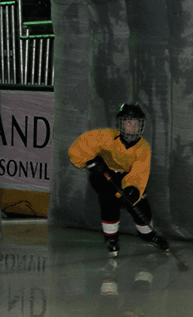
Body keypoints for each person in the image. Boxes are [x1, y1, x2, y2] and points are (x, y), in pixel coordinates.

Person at [68, 103, 169, 257]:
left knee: (140, 206)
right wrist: (90, 162)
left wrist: (133, 189)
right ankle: (111, 239)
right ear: (121, 124)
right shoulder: (106, 137)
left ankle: (148, 235)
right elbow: (81, 147)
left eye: (136, 124)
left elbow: (140, 171)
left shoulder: (143, 148)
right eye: (129, 123)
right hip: (104, 175)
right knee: (109, 199)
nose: (133, 128)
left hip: (127, 177)